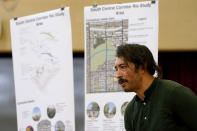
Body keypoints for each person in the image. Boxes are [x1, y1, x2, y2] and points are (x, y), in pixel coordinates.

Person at [114, 44, 197, 131]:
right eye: (117, 69)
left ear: (142, 67)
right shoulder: (130, 111)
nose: (118, 75)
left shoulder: (175, 93)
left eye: (123, 67)